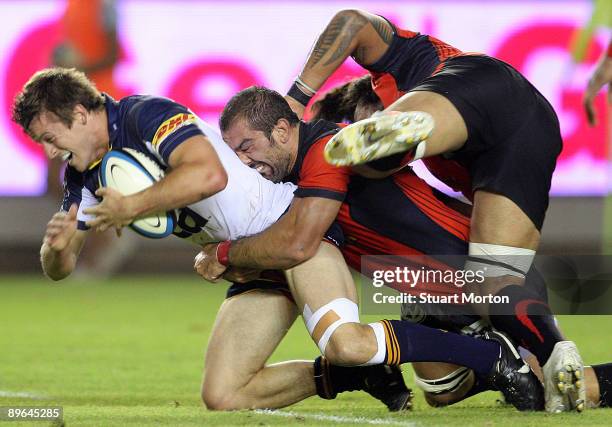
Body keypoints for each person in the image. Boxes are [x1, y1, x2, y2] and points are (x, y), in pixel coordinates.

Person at [12, 67, 420, 412]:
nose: (49, 152)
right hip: (246, 262)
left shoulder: (144, 115)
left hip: (287, 233)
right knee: (223, 395)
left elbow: (210, 176)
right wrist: (57, 247)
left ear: (81, 114)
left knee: (354, 341)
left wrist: (133, 206)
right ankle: (356, 375)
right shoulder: (82, 174)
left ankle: (480, 352)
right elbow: (62, 269)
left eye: (50, 138)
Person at [276, 9, 584, 413]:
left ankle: (390, 140)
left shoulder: (404, 60)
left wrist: (296, 97)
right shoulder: (447, 172)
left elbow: (351, 20)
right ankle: (558, 353)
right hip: (527, 136)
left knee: (376, 154)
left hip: (476, 86)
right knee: (494, 280)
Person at [195, 85, 545, 411]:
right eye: (233, 152)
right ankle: (375, 370)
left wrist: (224, 254)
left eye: (247, 146)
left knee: (551, 382)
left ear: (283, 131)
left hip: (474, 277)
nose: (241, 161)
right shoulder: (279, 176)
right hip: (422, 288)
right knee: (443, 391)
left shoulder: (328, 150)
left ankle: (506, 358)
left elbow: (298, 242)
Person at [309, 75, 612, 410]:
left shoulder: (359, 180)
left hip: (473, 279)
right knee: (442, 392)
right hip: (440, 284)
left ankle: (519, 362)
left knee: (555, 390)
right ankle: (504, 361)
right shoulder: (377, 176)